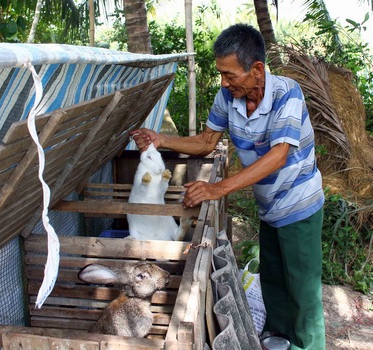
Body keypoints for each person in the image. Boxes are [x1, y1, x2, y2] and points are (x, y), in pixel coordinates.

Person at [130, 23, 326, 349]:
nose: (224, 81)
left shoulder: (286, 94)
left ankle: (309, 345)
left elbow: (279, 156)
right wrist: (161, 138)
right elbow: (207, 141)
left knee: (303, 291)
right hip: (269, 206)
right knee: (275, 280)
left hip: (299, 205)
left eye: (230, 74)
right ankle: (275, 337)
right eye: (221, 73)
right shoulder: (228, 97)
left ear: (257, 69)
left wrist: (217, 189)